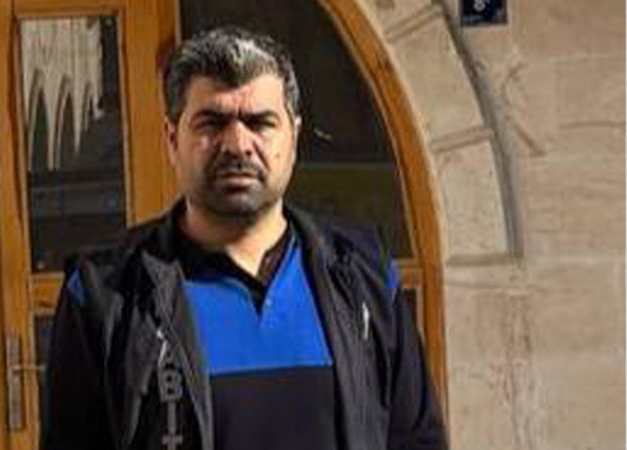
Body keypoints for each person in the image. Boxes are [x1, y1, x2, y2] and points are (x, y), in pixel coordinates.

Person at [42, 26, 447, 450]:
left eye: (259, 122)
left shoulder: (363, 275)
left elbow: (416, 440)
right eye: (212, 123)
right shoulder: (106, 294)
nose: (237, 144)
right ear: (172, 139)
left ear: (294, 137)